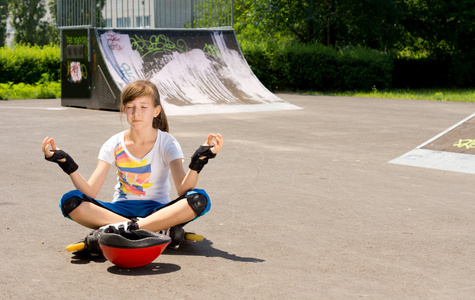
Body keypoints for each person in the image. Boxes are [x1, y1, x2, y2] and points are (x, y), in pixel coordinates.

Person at [41, 79, 223, 247]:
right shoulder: (113, 143)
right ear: (124, 110)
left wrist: (198, 162)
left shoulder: (167, 142)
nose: (136, 113)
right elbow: (90, 191)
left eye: (144, 107)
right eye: (130, 107)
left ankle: (121, 230)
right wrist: (66, 164)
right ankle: (150, 230)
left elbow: (184, 191)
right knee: (69, 201)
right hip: (118, 211)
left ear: (156, 110)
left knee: (199, 199)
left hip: (158, 211)